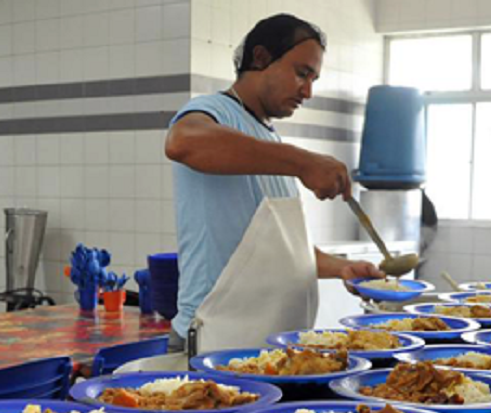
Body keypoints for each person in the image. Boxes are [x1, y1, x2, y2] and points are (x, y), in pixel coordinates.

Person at [163, 14, 384, 354]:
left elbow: (280, 251)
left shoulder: (269, 141)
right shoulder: (212, 111)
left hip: (269, 347)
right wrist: (304, 162)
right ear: (261, 58)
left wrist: (343, 268)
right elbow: (182, 142)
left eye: (314, 79)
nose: (308, 91)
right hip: (216, 341)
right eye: (301, 73)